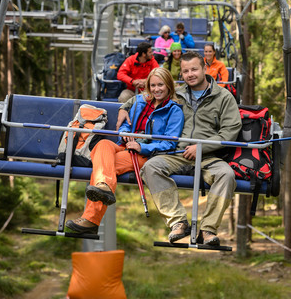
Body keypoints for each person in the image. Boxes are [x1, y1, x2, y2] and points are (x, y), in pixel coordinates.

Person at [118, 51, 241, 247]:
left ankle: (208, 229)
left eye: (194, 69)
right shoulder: (177, 93)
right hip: (176, 153)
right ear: (181, 74)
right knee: (151, 168)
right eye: (185, 71)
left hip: (208, 156)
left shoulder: (223, 97)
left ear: (204, 68)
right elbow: (142, 97)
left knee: (226, 175)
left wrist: (201, 146)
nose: (190, 74)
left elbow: (230, 132)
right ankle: (178, 222)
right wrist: (124, 108)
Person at [66, 68, 184, 235]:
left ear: (169, 86)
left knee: (104, 168)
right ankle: (103, 187)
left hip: (145, 153)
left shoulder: (174, 111)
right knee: (103, 145)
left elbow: (169, 143)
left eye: (161, 85)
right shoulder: (140, 101)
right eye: (153, 85)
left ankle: (92, 219)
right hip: (125, 145)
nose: (157, 89)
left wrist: (142, 146)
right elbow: (127, 122)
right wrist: (125, 132)